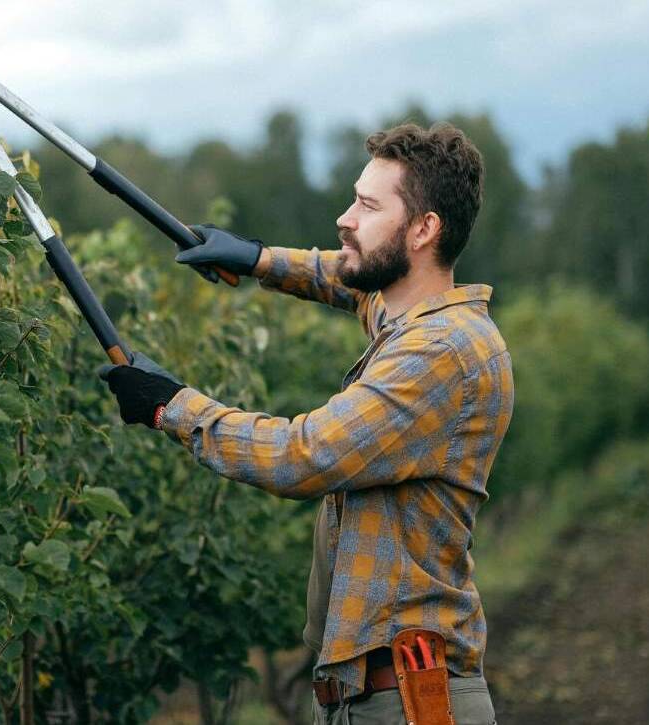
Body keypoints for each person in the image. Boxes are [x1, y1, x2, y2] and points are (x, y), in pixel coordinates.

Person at [99, 122, 513, 725]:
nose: (345, 218)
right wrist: (258, 259)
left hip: (404, 703)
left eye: (368, 207)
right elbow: (343, 280)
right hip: (368, 696)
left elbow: (306, 455)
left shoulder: (440, 353)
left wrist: (173, 406)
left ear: (424, 230)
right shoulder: (409, 312)